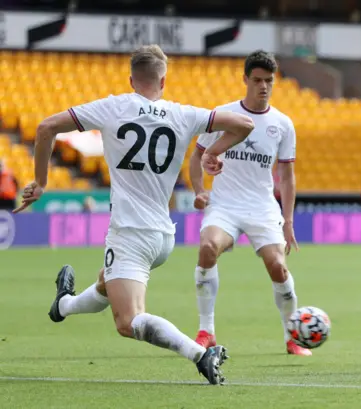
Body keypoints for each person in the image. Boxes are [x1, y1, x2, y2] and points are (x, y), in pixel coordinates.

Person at [13, 45, 255, 384]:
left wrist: (40, 182)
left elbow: (46, 127)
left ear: (131, 79)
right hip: (163, 237)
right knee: (106, 282)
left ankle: (201, 354)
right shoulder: (184, 114)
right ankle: (63, 306)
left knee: (128, 321)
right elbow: (244, 124)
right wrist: (212, 152)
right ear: (164, 81)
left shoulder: (115, 107)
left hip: (130, 232)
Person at [189, 50, 311, 356]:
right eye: (257, 80)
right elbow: (196, 155)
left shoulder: (282, 124)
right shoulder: (224, 115)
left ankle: (292, 336)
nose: (263, 86)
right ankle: (206, 331)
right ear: (245, 79)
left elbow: (287, 175)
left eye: (269, 81)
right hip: (225, 204)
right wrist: (199, 191)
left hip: (262, 208)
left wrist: (289, 222)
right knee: (207, 249)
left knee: (278, 268)